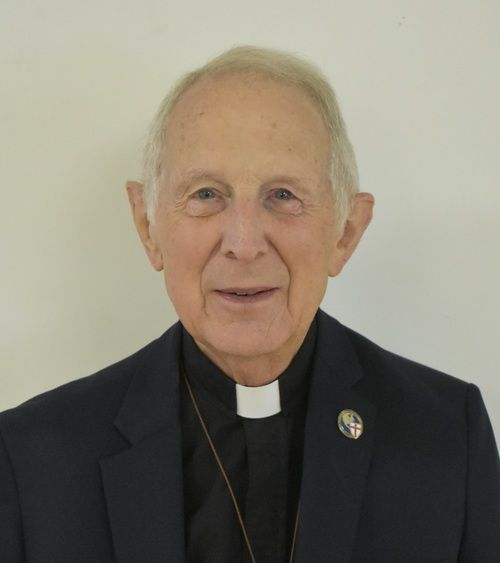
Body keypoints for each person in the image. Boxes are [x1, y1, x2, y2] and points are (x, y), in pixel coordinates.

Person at [0, 45, 499, 563]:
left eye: (282, 195)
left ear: (346, 232)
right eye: (205, 194)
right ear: (148, 226)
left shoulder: (445, 436)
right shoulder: (33, 460)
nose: (243, 243)